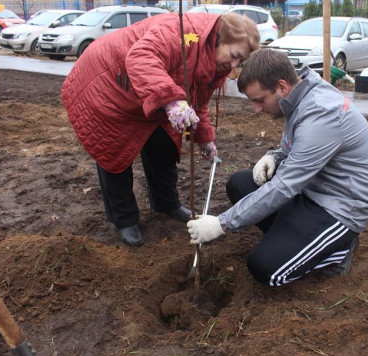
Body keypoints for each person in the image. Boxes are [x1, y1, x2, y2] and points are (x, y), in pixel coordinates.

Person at [187, 49, 368, 286]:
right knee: (240, 184)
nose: (257, 109)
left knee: (266, 269)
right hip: (313, 190)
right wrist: (276, 156)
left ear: (281, 86)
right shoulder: (301, 93)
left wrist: (222, 223)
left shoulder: (321, 114)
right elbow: (303, 150)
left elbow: (285, 186)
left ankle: (336, 251)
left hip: (342, 206)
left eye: (260, 100)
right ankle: (296, 241)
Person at [62, 12, 259, 246]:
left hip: (151, 92)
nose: (234, 65)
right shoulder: (182, 33)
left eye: (240, 61)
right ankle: (124, 219)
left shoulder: (214, 63)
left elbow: (199, 100)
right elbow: (140, 57)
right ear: (218, 39)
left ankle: (166, 203)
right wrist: (172, 101)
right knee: (114, 151)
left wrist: (205, 138)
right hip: (109, 84)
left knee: (165, 141)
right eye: (234, 55)